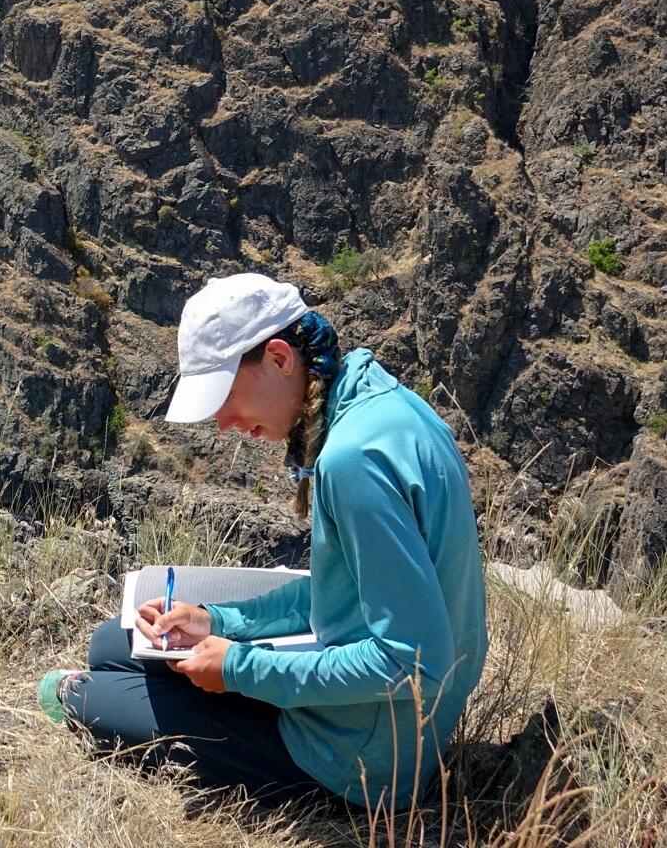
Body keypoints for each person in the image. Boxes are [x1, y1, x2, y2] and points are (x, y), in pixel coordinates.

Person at [37, 273, 488, 812]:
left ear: (279, 358)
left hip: (359, 758)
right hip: (386, 723)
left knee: (78, 694)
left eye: (225, 394)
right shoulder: (380, 406)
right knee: (114, 643)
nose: (224, 422)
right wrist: (215, 622)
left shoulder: (351, 463)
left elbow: (415, 664)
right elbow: (342, 592)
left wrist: (238, 669)